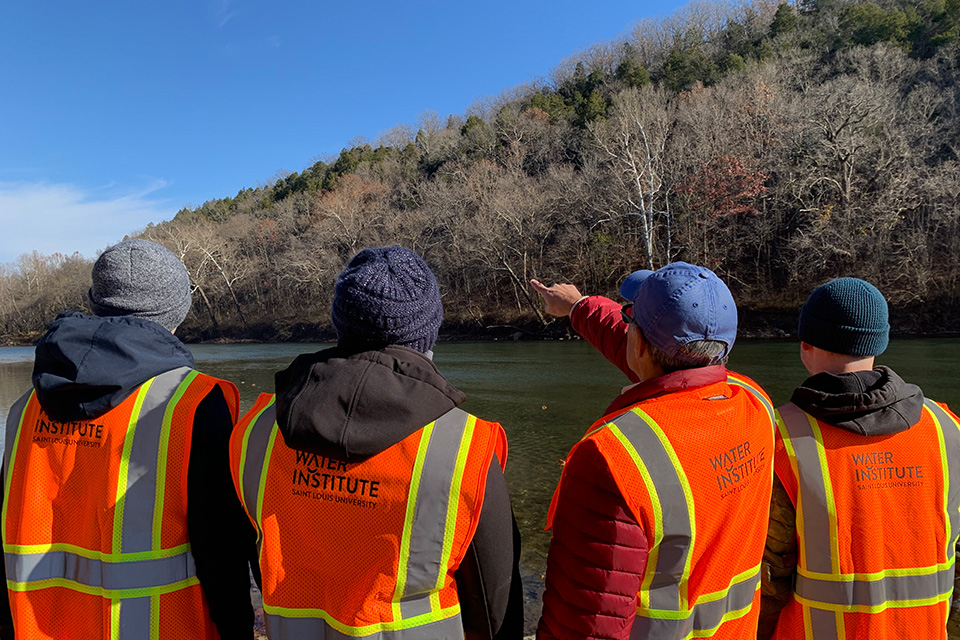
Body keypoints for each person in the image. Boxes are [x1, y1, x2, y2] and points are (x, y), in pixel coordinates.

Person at [229, 245, 523, 639]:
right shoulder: (463, 446)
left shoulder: (255, 430)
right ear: (428, 332)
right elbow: (493, 602)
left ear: (340, 325)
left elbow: (254, 555)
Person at [0, 238, 257, 639]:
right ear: (176, 312)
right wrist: (238, 629)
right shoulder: (194, 402)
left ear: (97, 302)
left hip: (40, 625)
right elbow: (220, 549)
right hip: (162, 626)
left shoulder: (27, 405)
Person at [531, 262, 776, 640]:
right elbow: (655, 360)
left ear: (640, 344)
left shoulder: (614, 458)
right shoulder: (754, 401)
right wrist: (579, 306)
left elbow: (588, 622)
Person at [757, 277, 960, 639]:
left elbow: (771, 578)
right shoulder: (946, 428)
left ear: (805, 344)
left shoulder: (780, 439)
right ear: (879, 342)